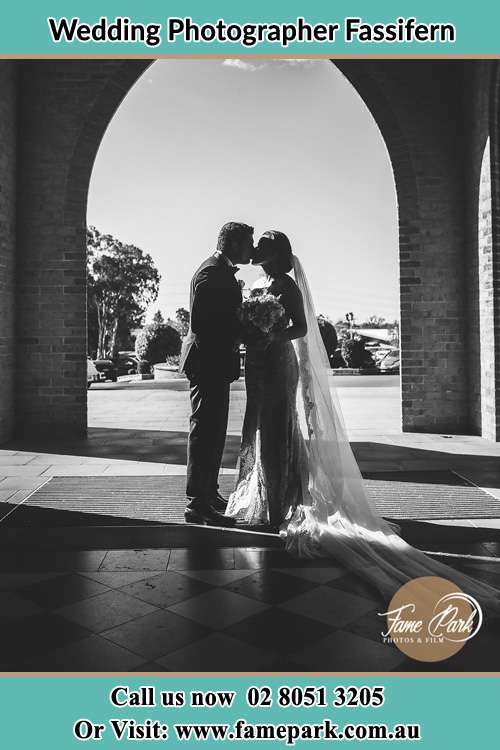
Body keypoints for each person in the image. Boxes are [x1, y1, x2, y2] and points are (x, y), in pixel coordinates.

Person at [226, 230, 500, 614]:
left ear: (276, 253)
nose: (256, 250)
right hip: (259, 364)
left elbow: (302, 329)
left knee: (278, 430)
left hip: (278, 362)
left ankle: (278, 507)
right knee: (259, 428)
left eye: (263, 247)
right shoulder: (259, 283)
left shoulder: (286, 286)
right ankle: (266, 497)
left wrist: (271, 334)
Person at [179, 221, 254, 526]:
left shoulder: (219, 272)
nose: (251, 249)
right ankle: (197, 504)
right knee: (204, 432)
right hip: (207, 364)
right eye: (248, 243)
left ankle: (209, 493)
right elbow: (202, 324)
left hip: (215, 365)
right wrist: (243, 332)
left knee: (214, 432)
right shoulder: (210, 273)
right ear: (234, 244)